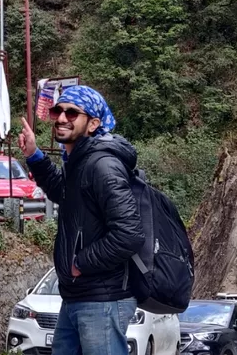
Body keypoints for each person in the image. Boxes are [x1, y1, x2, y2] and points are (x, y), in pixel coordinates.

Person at [17, 85, 143, 355]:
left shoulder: (102, 165)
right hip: (76, 296)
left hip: (103, 299)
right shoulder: (79, 162)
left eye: (72, 113)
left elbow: (129, 233)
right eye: (57, 111)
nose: (61, 118)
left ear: (93, 123)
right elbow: (62, 192)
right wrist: (33, 155)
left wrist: (80, 264)